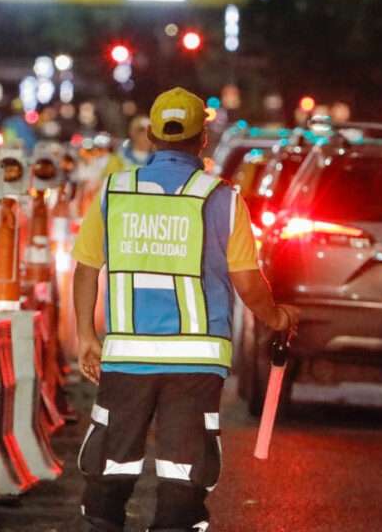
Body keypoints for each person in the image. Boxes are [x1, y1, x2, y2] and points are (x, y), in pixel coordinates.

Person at [71, 87, 299, 532]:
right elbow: (249, 283)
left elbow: (85, 269)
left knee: (111, 464)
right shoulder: (222, 199)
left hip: (127, 359)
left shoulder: (116, 191)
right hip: (195, 364)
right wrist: (278, 319)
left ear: (152, 136)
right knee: (183, 470)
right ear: (203, 140)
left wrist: (86, 336)